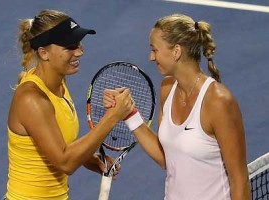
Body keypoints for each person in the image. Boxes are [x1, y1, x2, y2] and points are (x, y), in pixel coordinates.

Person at [104, 13, 251, 199]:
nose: (151, 57)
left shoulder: (219, 102)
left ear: (176, 51)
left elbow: (240, 180)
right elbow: (166, 158)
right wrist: (129, 114)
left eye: (155, 49)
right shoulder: (167, 89)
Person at [4, 9, 134, 200]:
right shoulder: (31, 99)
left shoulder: (58, 84)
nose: (79, 51)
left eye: (78, 43)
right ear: (44, 53)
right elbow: (65, 162)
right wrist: (112, 116)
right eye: (69, 47)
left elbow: (59, 143)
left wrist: (91, 159)